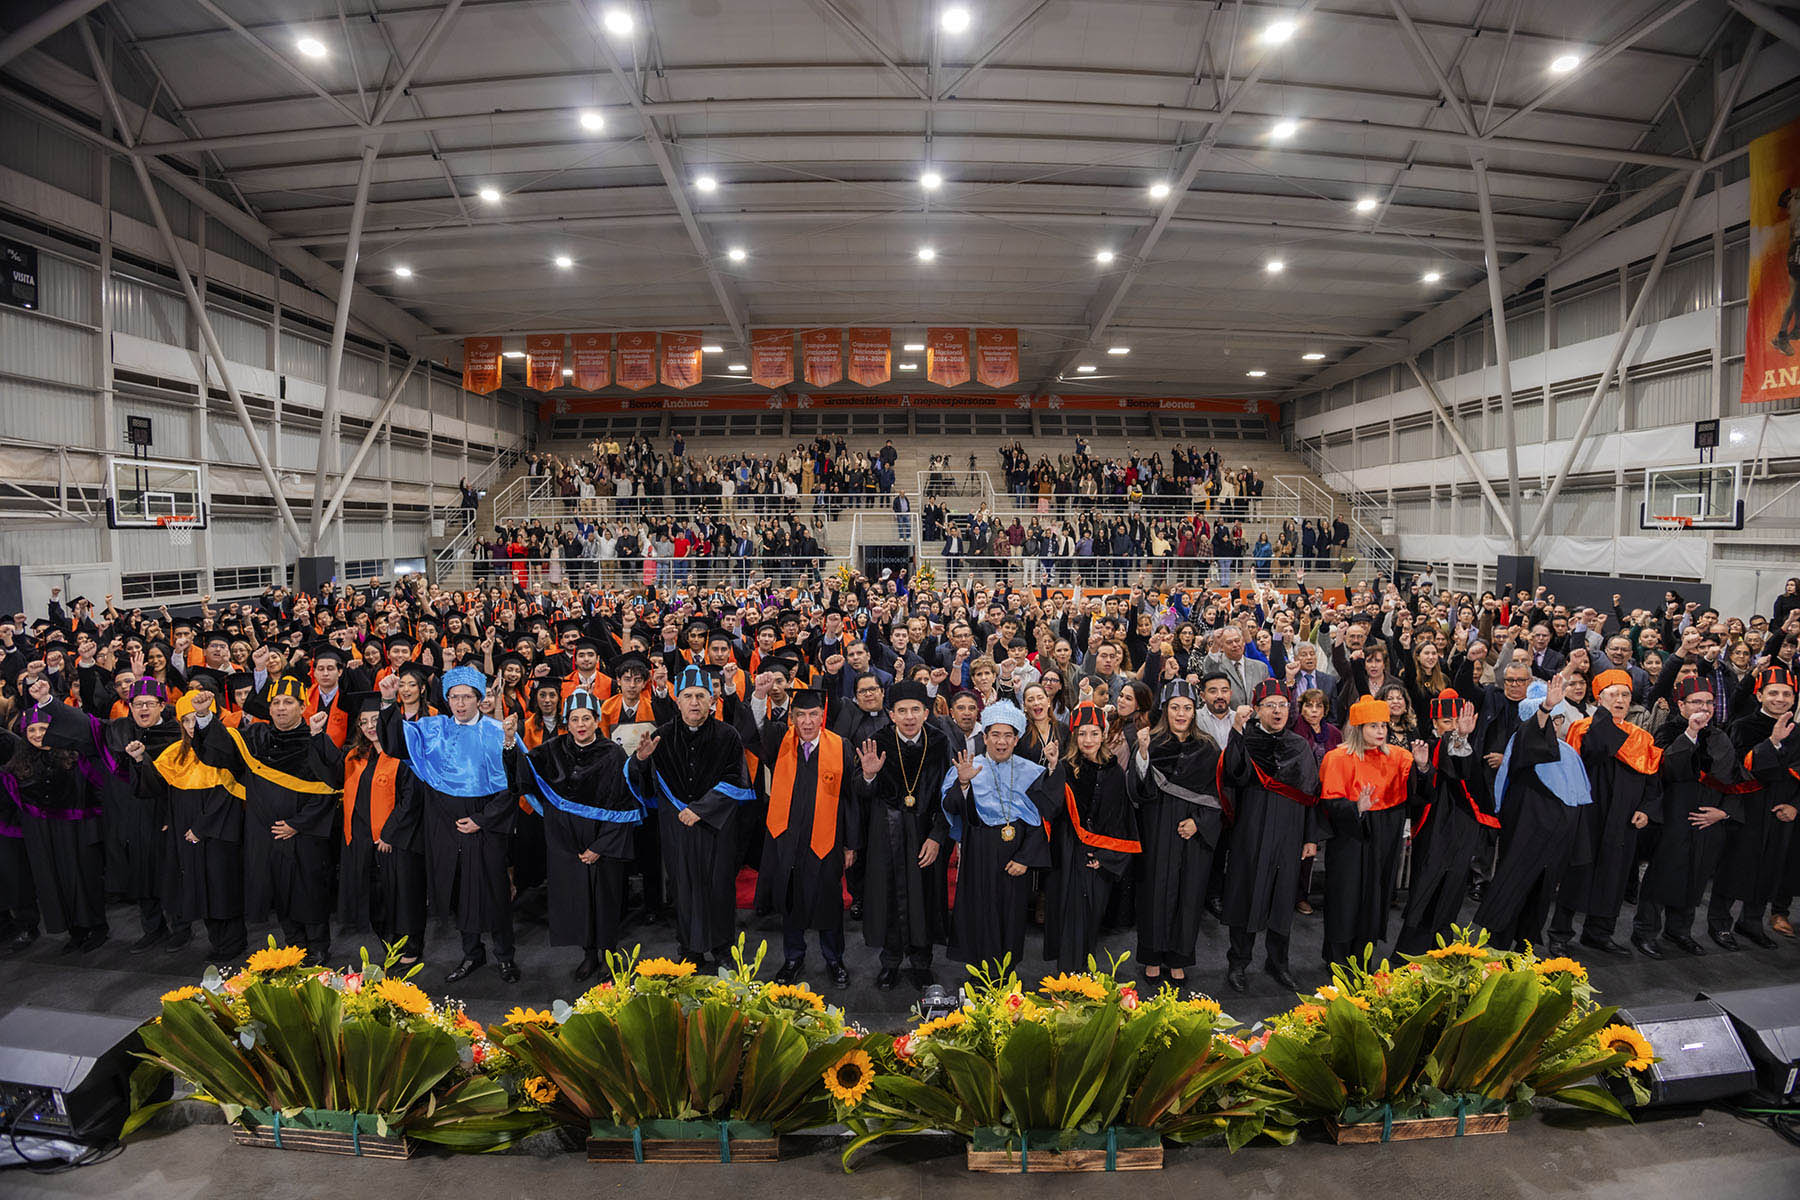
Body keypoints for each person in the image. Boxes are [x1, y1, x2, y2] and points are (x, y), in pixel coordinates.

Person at [378, 665, 521, 984]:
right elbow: (396, 744)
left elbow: (512, 787)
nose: (460, 703)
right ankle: (472, 954)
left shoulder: (497, 732)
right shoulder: (433, 729)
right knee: (458, 893)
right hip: (444, 827)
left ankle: (505, 956)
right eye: (454, 697)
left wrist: (481, 821)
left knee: (493, 893)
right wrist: (389, 702)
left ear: (478, 698)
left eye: (467, 697)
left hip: (485, 828)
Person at [191, 678, 339, 962]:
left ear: (302, 707)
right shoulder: (256, 737)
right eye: (275, 703)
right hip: (265, 832)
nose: (281, 708)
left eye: (288, 702)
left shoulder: (314, 738)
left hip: (304, 833)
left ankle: (318, 946)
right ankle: (294, 944)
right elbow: (222, 750)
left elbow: (329, 787)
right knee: (279, 891)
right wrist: (204, 716)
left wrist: (298, 824)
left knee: (308, 890)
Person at [627, 665, 754, 969]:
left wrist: (701, 809)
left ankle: (723, 947)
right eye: (688, 696)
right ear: (677, 699)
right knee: (683, 887)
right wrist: (641, 761)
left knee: (719, 885)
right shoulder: (662, 736)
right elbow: (642, 784)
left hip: (716, 827)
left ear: (713, 701)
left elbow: (736, 780)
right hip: (677, 827)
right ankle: (689, 948)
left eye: (701, 696)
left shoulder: (728, 735)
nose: (694, 702)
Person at [517, 689, 643, 981]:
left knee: (606, 900)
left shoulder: (613, 753)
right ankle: (588, 955)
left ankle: (609, 957)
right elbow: (524, 769)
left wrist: (600, 846)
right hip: (567, 841)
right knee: (578, 901)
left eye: (586, 718)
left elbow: (624, 803)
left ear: (597, 720)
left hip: (604, 840)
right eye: (574, 719)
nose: (581, 724)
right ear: (567, 722)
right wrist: (511, 743)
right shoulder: (554, 749)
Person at [124, 691, 248, 961]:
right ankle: (218, 942)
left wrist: (201, 828)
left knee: (221, 887)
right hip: (185, 831)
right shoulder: (175, 754)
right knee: (199, 888)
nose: (193, 726)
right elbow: (159, 788)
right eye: (187, 720)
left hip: (217, 831)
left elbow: (227, 794)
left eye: (198, 719)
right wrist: (139, 761)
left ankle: (233, 943)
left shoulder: (224, 748)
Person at [1547, 669, 1662, 957]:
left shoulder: (1641, 738)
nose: (1621, 700)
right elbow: (1594, 752)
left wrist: (1646, 810)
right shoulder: (1584, 728)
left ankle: (1599, 933)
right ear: (1599, 698)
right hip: (1589, 815)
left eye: (1625, 694)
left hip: (1624, 818)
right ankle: (1560, 933)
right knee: (1578, 873)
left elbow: (1652, 780)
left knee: (1615, 875)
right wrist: (1604, 718)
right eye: (1613, 694)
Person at [1475, 676, 1593, 951]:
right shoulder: (1522, 743)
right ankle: (1498, 946)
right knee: (1514, 888)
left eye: (1557, 719)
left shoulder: (1569, 753)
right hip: (1525, 835)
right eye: (1548, 719)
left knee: (1540, 896)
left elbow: (1579, 800)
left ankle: (1525, 947)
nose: (1553, 725)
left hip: (1555, 842)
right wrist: (1545, 709)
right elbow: (1534, 737)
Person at [1218, 679, 1319, 993]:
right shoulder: (1247, 742)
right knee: (1245, 897)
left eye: (1283, 705)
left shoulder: (1299, 746)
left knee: (1282, 899)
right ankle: (1238, 963)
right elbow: (1232, 774)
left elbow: (1311, 796)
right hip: (1252, 831)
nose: (1278, 711)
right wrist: (1236, 732)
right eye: (1270, 705)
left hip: (1289, 834)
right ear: (1257, 710)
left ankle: (1278, 963)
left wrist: (1309, 838)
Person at [850, 680, 951, 989]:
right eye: (902, 711)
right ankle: (891, 961)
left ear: (925, 712)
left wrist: (936, 836)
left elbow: (947, 796)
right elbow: (859, 793)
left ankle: (922, 962)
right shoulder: (876, 740)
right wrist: (868, 775)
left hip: (925, 832)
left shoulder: (939, 741)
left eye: (915, 710)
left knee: (925, 898)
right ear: (891, 714)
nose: (909, 717)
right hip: (887, 831)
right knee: (889, 896)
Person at [941, 699, 1055, 972]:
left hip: (1015, 858)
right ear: (985, 737)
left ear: (1016, 739)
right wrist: (964, 783)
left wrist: (1026, 859)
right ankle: (979, 974)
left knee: (1011, 917)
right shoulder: (970, 766)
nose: (1001, 742)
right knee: (979, 914)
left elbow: (1042, 822)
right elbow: (952, 808)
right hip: (979, 852)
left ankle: (1007, 975)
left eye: (1008, 735)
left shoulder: (1031, 772)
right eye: (995, 735)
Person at [1633, 678, 1742, 958]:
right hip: (1673, 817)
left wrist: (1724, 812)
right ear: (1681, 704)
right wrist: (1691, 734)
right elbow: (1666, 769)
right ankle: (1644, 932)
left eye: (1708, 702)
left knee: (1696, 876)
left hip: (1709, 820)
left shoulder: (1720, 736)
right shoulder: (1667, 732)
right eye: (1696, 702)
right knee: (1663, 876)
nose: (1703, 708)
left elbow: (1734, 779)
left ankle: (1679, 930)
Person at [314, 694, 426, 966]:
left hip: (396, 840)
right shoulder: (355, 755)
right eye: (364, 722)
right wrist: (318, 735)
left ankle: (411, 945)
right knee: (375, 898)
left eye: (375, 720)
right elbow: (331, 774)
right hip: (362, 839)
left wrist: (389, 834)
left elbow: (411, 799)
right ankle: (389, 944)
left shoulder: (403, 754)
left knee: (401, 895)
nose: (370, 726)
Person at [759, 687, 855, 989]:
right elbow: (753, 731)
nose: (808, 721)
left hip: (827, 838)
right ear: (792, 717)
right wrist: (759, 698)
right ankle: (793, 958)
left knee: (828, 900)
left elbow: (851, 799)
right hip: (788, 838)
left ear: (822, 716)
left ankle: (834, 958)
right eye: (801, 715)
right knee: (791, 900)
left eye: (814, 714)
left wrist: (850, 843)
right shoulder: (780, 743)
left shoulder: (841, 747)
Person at [1129, 679, 1223, 986]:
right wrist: (1142, 754)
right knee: (1154, 892)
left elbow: (1219, 794)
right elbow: (1136, 792)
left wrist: (1199, 822)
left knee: (1190, 893)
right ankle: (1152, 956)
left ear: (1195, 711)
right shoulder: (1152, 743)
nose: (1181, 714)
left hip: (1193, 834)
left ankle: (1179, 957)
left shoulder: (1208, 747)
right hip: (1157, 827)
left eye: (1187, 708)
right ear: (1165, 710)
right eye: (1175, 708)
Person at [1314, 694, 1420, 964]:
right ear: (1359, 729)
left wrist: (1423, 766)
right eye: (1373, 726)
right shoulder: (1338, 758)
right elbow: (1329, 805)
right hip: (1350, 838)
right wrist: (1356, 808)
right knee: (1345, 897)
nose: (1381, 731)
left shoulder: (1399, 757)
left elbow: (1420, 794)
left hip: (1385, 837)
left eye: (1383, 726)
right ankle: (1338, 960)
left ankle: (1364, 958)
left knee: (1376, 896)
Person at [1042, 703, 1141, 973]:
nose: (1088, 740)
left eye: (1094, 734)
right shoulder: (1063, 768)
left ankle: (1083, 978)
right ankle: (1066, 980)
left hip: (1099, 859)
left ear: (1103, 735)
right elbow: (1050, 809)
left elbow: (1121, 821)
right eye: (1082, 734)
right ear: (1074, 736)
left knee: (1091, 920)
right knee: (1068, 919)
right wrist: (1051, 769)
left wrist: (1106, 858)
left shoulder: (1114, 772)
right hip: (1067, 853)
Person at [1395, 691, 1494, 955]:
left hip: (1462, 828)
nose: (1453, 727)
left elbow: (1464, 770)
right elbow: (1421, 790)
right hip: (1434, 829)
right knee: (1427, 887)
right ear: (1435, 723)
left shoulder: (1467, 747)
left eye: (1456, 722)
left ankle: (1441, 948)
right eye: (1447, 722)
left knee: (1453, 888)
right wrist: (1424, 768)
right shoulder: (1428, 746)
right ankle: (1411, 952)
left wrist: (1462, 738)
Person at [2, 706, 108, 952]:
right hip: (42, 832)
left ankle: (97, 926)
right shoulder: (16, 767)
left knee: (83, 878)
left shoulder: (75, 756)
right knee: (55, 881)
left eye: (43, 728)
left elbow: (98, 791)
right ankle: (75, 931)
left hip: (76, 828)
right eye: (32, 729)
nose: (38, 734)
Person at [1710, 666, 1798, 949]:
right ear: (1759, 695)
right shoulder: (1743, 725)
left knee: (1770, 867)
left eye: (1786, 694)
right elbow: (1736, 770)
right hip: (1747, 806)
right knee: (1735, 866)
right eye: (1773, 693)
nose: (1780, 699)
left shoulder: (1799, 731)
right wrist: (1772, 742)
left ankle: (1751, 921)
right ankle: (1720, 923)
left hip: (1782, 810)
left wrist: (1795, 805)